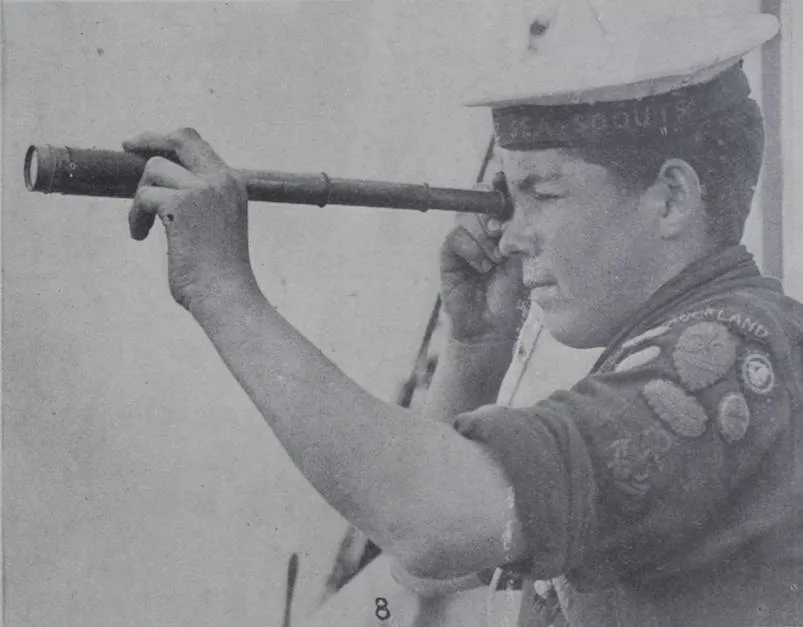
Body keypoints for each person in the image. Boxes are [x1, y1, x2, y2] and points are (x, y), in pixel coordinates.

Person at [123, 5, 802, 626]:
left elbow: (432, 521)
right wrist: (475, 348)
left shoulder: (730, 355)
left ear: (671, 198)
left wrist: (219, 286)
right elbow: (422, 566)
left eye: (542, 192)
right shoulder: (683, 348)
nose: (510, 234)